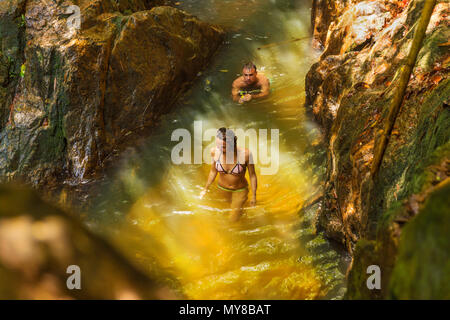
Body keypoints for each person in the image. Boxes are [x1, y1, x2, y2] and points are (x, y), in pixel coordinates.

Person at [199, 128, 257, 222]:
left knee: (232, 219)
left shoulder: (246, 154)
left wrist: (254, 195)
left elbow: (252, 175)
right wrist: (205, 189)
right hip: (222, 189)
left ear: (232, 143)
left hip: (239, 190)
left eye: (223, 147)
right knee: (222, 215)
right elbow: (213, 171)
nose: (220, 149)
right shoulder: (214, 151)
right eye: (218, 146)